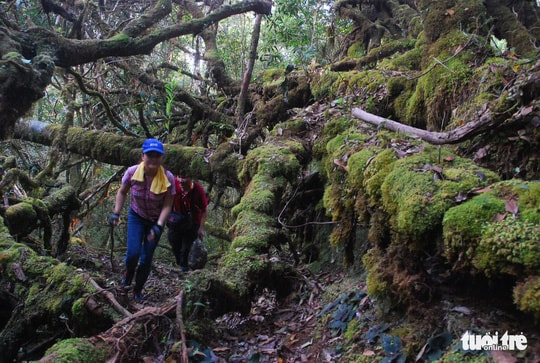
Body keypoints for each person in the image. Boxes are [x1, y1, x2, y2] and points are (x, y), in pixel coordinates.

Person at [108, 138, 175, 302]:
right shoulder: (132, 172)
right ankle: (128, 274)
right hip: (136, 217)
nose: (153, 159)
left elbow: (168, 204)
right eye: (149, 155)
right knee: (133, 254)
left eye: (157, 155)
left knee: (146, 258)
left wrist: (159, 225)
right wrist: (116, 213)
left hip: (155, 221)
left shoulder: (168, 178)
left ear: (161, 158)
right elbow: (122, 192)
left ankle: (137, 291)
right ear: (142, 156)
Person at [168, 176, 208, 272]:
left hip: (193, 222)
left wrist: (201, 228)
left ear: (191, 180)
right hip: (177, 220)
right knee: (173, 241)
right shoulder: (174, 183)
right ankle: (180, 263)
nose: (181, 181)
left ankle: (184, 270)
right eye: (179, 178)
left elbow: (204, 210)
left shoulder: (198, 189)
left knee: (186, 248)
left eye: (184, 179)